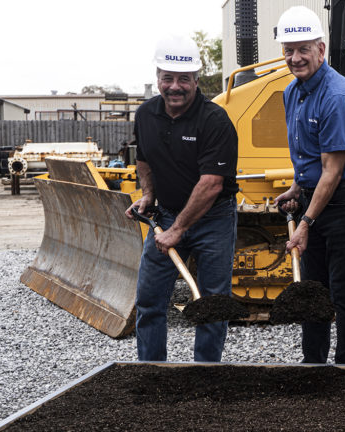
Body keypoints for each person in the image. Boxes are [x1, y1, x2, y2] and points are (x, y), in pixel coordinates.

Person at [273, 6, 345, 364]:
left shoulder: (337, 97)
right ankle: (313, 365)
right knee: (312, 290)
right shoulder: (292, 92)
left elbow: (333, 172)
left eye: (304, 49)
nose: (296, 58)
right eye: (289, 50)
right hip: (317, 197)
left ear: (321, 48)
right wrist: (297, 187)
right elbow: (311, 158)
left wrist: (304, 223)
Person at [124, 34, 239, 362]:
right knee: (149, 300)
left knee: (211, 303)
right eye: (168, 78)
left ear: (196, 80)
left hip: (213, 220)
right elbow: (143, 158)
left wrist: (178, 230)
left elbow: (212, 184)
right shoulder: (145, 115)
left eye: (183, 79)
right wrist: (148, 195)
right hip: (167, 216)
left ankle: (205, 376)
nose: (175, 86)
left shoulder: (214, 120)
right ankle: (153, 371)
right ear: (158, 77)